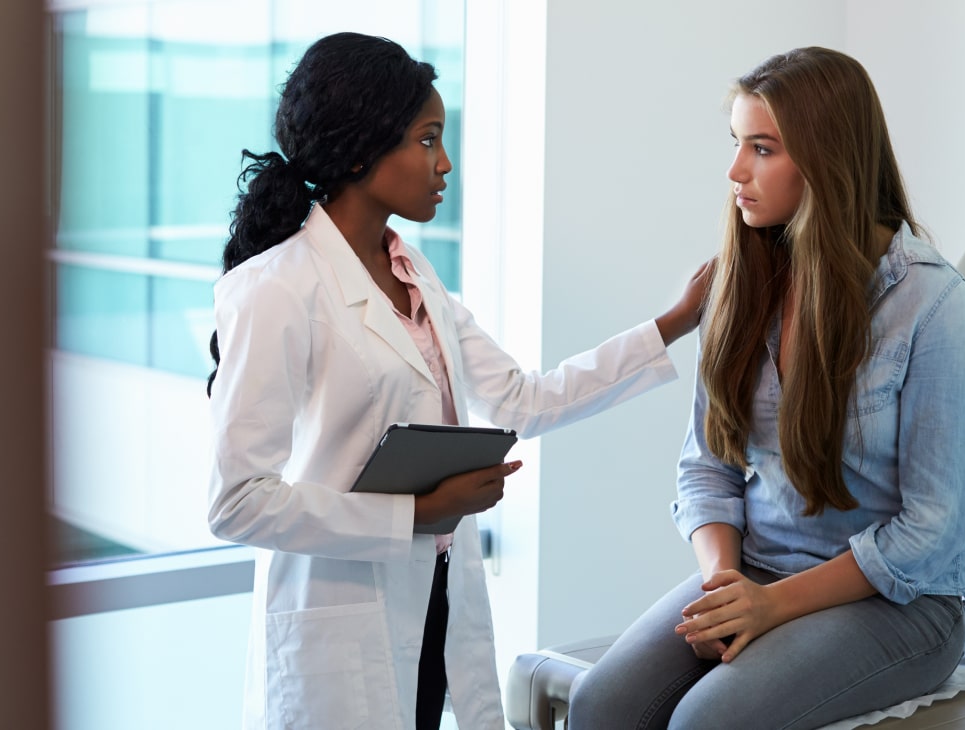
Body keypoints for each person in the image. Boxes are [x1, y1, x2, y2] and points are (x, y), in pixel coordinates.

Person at [205, 32, 708, 730]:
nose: (445, 164)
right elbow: (236, 503)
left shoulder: (413, 273)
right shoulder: (276, 289)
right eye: (426, 140)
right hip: (346, 609)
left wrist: (675, 322)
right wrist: (415, 513)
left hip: (438, 590)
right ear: (360, 150)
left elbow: (522, 399)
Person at [567, 46, 965, 730]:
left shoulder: (931, 304)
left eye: (762, 149)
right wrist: (724, 586)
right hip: (755, 572)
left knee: (708, 722)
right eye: (736, 144)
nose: (735, 172)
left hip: (899, 605)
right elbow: (707, 467)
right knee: (601, 705)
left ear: (828, 158)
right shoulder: (742, 279)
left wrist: (772, 607)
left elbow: (930, 533)